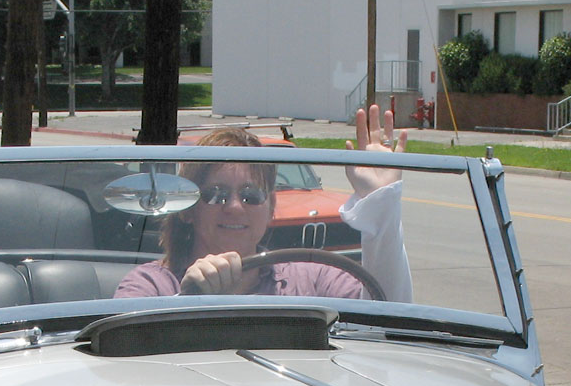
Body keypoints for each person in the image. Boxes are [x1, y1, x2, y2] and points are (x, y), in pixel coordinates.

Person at [115, 104, 411, 300]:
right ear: (188, 210)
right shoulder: (151, 287)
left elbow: (384, 319)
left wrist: (380, 205)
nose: (234, 206)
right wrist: (191, 298)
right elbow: (126, 357)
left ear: (270, 208)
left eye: (251, 195)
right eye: (216, 194)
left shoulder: (312, 281)